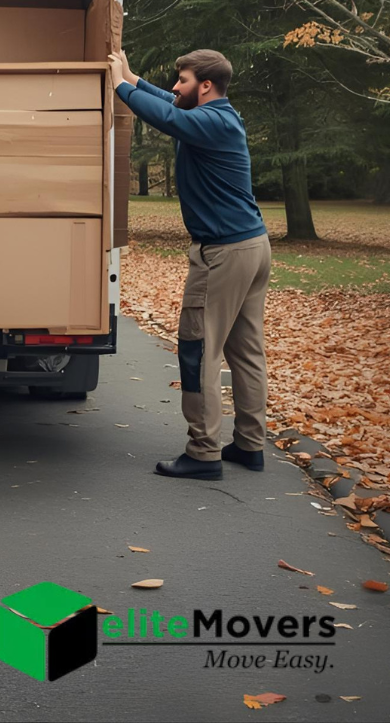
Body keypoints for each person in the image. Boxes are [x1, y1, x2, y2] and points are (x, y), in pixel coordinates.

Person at [109, 48, 270, 481]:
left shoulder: (209, 121)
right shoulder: (216, 116)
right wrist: (133, 80)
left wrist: (119, 87)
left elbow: (171, 119)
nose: (176, 87)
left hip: (223, 255)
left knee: (198, 349)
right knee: (246, 351)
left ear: (205, 86)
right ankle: (250, 445)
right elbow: (169, 104)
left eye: (182, 80)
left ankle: (203, 453)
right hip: (251, 246)